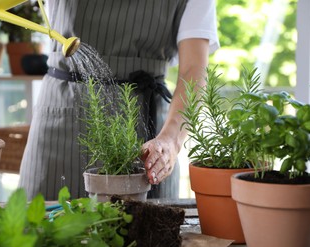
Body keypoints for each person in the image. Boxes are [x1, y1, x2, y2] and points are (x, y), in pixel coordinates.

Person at [18, 0, 220, 200]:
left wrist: (170, 141)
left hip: (147, 133)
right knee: (40, 225)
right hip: (61, 119)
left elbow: (193, 69)